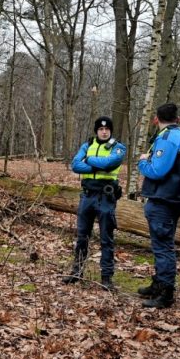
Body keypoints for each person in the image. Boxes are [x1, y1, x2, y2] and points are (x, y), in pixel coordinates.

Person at [136, 103, 180, 308]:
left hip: (164, 198)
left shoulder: (167, 139)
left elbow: (157, 171)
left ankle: (166, 292)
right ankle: (159, 283)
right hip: (177, 198)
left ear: (156, 119)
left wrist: (143, 162)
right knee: (164, 243)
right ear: (178, 119)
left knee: (163, 246)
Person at [62, 117, 126, 290]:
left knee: (106, 238)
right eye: (100, 129)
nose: (104, 131)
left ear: (111, 131)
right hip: (87, 196)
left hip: (106, 197)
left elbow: (109, 163)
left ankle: (106, 277)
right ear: (96, 131)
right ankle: (77, 271)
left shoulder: (118, 147)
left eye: (107, 129)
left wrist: (88, 160)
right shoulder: (87, 145)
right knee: (82, 236)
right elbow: (75, 165)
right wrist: (97, 166)